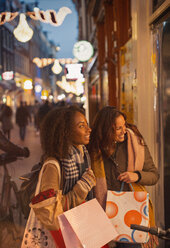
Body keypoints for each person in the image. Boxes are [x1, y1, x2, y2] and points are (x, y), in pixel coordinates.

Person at [88, 106, 159, 248]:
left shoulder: (135, 143)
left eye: (124, 125)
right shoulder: (93, 149)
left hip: (131, 214)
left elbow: (154, 175)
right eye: (118, 128)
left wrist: (136, 176)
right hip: (100, 215)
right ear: (106, 130)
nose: (124, 131)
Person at [27, 105, 96, 247]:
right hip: (61, 236)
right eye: (81, 126)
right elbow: (50, 211)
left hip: (81, 226)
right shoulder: (54, 165)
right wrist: (83, 187)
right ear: (65, 132)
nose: (88, 130)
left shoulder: (83, 156)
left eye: (87, 125)